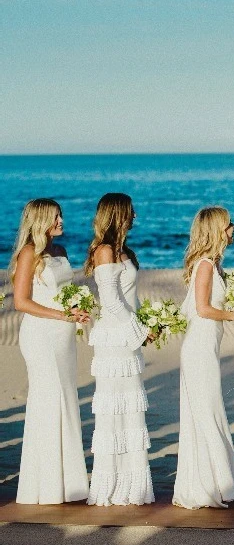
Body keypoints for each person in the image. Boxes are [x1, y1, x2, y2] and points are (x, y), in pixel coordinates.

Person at [172, 207, 234, 509]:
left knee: (208, 410)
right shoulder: (205, 265)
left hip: (208, 346)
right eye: (229, 224)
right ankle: (209, 486)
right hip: (199, 348)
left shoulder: (214, 264)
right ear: (218, 230)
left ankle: (213, 483)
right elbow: (203, 309)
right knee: (206, 412)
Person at [9, 199, 90, 504]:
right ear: (41, 220)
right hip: (41, 336)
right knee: (47, 400)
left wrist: (75, 310)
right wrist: (62, 315)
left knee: (66, 399)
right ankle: (43, 485)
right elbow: (21, 302)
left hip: (64, 337)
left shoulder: (61, 252)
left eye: (61, 216)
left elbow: (60, 293)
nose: (61, 221)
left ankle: (69, 484)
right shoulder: (29, 253)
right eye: (56, 217)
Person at [84, 193, 154, 506]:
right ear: (118, 214)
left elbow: (128, 298)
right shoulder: (104, 250)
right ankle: (111, 486)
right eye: (130, 211)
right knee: (114, 410)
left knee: (130, 409)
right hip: (114, 341)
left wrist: (146, 323)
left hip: (128, 338)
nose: (135, 215)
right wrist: (139, 331)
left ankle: (133, 484)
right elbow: (110, 300)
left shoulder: (125, 251)